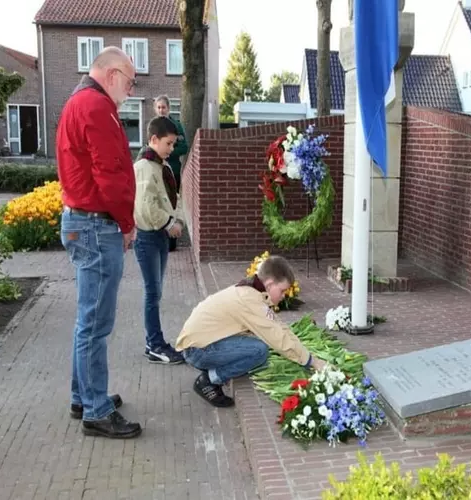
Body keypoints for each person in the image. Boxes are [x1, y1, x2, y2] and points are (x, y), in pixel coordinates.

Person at [57, 46, 141, 439]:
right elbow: (110, 175)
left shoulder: (79, 102)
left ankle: (83, 395)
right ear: (111, 75)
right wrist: (126, 223)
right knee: (96, 323)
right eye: (130, 79)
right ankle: (96, 409)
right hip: (96, 225)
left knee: (87, 319)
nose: (131, 87)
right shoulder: (96, 107)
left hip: (82, 222)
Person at [176, 255, 326, 407]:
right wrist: (312, 362)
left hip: (199, 345)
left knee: (258, 342)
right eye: (282, 290)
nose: (283, 296)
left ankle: (213, 370)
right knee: (259, 351)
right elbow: (277, 337)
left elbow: (279, 327)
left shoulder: (251, 290)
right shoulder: (250, 300)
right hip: (197, 351)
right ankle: (209, 380)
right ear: (269, 284)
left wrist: (308, 356)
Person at [133, 116, 186, 364]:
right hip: (149, 237)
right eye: (168, 143)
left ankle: (154, 342)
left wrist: (178, 221)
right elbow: (145, 207)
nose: (172, 149)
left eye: (174, 144)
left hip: (160, 237)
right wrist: (169, 224)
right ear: (153, 139)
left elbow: (170, 197)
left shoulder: (160, 165)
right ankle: (154, 344)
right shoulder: (144, 167)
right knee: (152, 293)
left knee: (156, 292)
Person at [153, 95, 189, 251]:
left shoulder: (176, 126)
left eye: (164, 107)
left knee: (172, 204)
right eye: (159, 107)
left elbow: (184, 147)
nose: (161, 110)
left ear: (168, 108)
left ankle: (172, 242)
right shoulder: (153, 126)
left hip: (172, 171)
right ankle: (158, 238)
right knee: (158, 203)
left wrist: (167, 151)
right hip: (156, 170)